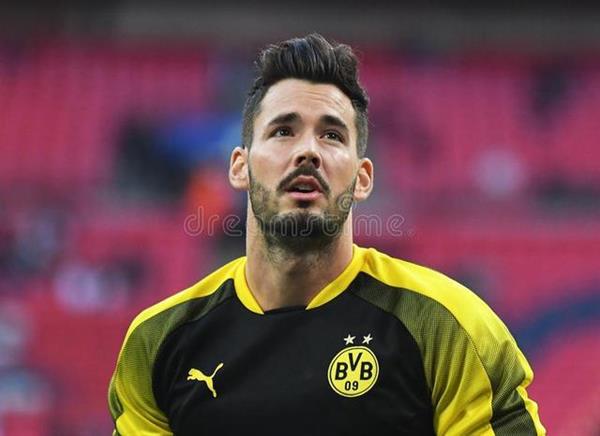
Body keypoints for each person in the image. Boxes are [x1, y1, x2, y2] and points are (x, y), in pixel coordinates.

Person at [108, 34, 545, 436]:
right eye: (283, 131)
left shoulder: (448, 327)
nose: (307, 151)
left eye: (332, 135)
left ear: (363, 177)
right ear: (239, 167)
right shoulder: (157, 343)